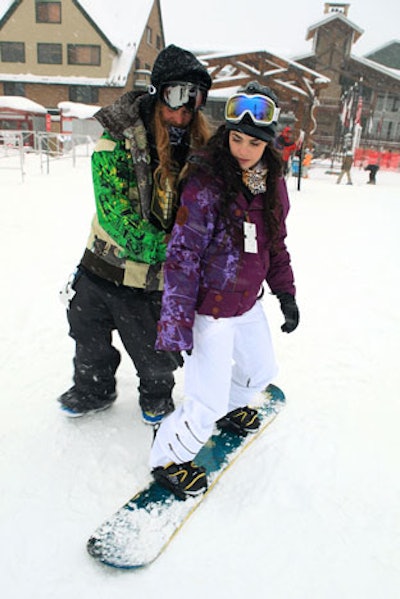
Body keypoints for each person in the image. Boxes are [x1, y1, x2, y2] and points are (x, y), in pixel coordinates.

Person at [150, 81, 299, 499]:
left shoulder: (271, 183)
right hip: (210, 311)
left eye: (254, 141)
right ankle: (168, 460)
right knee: (205, 401)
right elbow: (182, 257)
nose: (243, 149)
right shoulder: (206, 183)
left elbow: (275, 243)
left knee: (259, 373)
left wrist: (285, 293)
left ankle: (230, 410)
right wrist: (176, 326)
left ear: (268, 144)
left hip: (248, 303)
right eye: (236, 138)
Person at [58, 45, 212, 423]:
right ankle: (94, 387)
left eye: (192, 102)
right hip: (101, 264)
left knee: (152, 350)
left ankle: (157, 395)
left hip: (146, 280)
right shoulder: (116, 140)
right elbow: (115, 214)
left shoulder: (199, 152)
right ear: (157, 93)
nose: (182, 113)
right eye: (176, 97)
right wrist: (171, 249)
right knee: (88, 334)